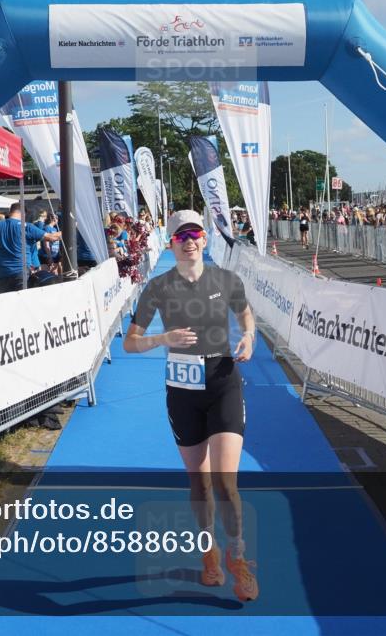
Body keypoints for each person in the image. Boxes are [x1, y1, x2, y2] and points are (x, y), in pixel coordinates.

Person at [123, 210, 260, 602]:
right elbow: (129, 343)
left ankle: (238, 557)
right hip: (182, 391)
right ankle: (209, 553)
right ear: (171, 244)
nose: (189, 240)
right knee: (199, 482)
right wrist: (162, 338)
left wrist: (248, 338)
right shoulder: (158, 288)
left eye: (195, 233)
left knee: (224, 481)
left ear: (204, 239)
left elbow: (247, 318)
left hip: (222, 381)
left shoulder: (226, 279)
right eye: (181, 235)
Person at [0, 202, 61, 294]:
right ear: (23, 213)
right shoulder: (26, 226)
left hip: (2, 273)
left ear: (10, 212)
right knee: (21, 302)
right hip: (21, 273)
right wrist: (70, 226)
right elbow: (52, 237)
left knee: (5, 302)